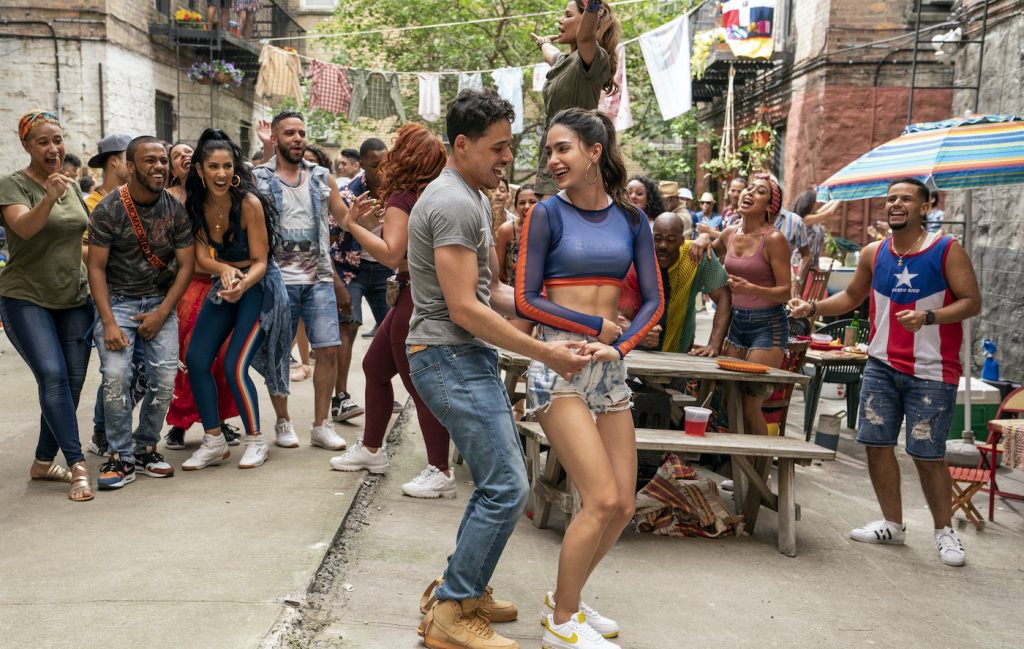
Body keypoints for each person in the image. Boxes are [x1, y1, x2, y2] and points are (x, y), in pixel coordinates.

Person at [409, 89, 590, 649]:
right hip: (448, 356)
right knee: (508, 486)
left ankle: (463, 591)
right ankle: (450, 616)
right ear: (460, 146)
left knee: (499, 481)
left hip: (460, 357)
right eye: (498, 147)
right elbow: (464, 308)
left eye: (509, 145)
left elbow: (494, 292)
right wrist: (546, 353)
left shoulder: (469, 196)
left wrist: (573, 319)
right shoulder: (455, 203)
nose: (507, 158)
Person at [514, 107, 662, 649]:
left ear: (595, 152)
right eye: (550, 151)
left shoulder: (632, 221)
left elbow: (653, 300)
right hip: (557, 365)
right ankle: (563, 620)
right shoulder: (546, 214)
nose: (553, 160)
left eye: (563, 149)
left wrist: (617, 343)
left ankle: (565, 597)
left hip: (610, 367)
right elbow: (529, 300)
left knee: (623, 505)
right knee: (598, 498)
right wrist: (594, 325)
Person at [789, 177, 980, 566]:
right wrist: (812, 308)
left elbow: (971, 302)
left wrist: (930, 317)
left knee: (928, 455)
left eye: (906, 199)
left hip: (933, 370)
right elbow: (851, 297)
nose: (896, 204)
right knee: (875, 445)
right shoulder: (874, 252)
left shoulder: (946, 249)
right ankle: (892, 524)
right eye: (891, 198)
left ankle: (944, 532)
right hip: (880, 364)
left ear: (924, 207)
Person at [329, 124, 456, 498]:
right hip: (418, 292)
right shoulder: (432, 193)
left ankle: (441, 469)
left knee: (418, 385)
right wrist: (373, 226)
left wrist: (352, 224)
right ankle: (371, 449)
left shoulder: (402, 197)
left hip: (412, 294)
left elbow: (390, 254)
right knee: (374, 367)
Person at [86, 135, 196, 490]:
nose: (159, 167)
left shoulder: (176, 210)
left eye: (163, 160)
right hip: (118, 303)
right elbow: (97, 269)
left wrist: (163, 312)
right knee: (116, 377)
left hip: (159, 304)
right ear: (130, 167)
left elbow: (186, 267)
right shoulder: (108, 209)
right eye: (150, 161)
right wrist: (107, 322)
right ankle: (119, 456)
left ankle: (146, 446)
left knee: (164, 382)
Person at [181, 129, 290, 470]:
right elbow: (202, 259)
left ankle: (256, 440)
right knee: (197, 359)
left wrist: (240, 282)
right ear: (200, 170)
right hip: (226, 283)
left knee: (234, 366)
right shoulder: (195, 204)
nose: (221, 174)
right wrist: (224, 269)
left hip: (258, 287)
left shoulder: (249, 203)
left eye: (227, 166)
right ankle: (214, 441)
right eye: (213, 167)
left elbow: (261, 261)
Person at [0, 111, 95, 501]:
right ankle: (76, 465)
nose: (53, 148)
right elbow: (24, 228)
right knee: (53, 376)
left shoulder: (71, 186)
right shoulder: (12, 185)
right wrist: (51, 197)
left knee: (69, 386)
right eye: (42, 141)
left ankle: (42, 461)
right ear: (26, 146)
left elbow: (82, 241)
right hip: (26, 297)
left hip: (74, 297)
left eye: (57, 139)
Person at [252, 110, 348, 452]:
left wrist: (359, 219)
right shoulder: (259, 177)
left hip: (317, 277)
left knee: (328, 349)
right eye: (290, 133)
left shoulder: (322, 176)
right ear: (275, 139)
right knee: (277, 352)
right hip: (277, 281)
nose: (298, 138)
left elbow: (343, 218)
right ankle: (283, 420)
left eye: (302, 133)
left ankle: (322, 425)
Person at [163, 139, 241, 451]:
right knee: (187, 358)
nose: (183, 155)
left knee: (221, 359)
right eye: (176, 154)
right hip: (185, 286)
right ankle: (179, 424)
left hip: (219, 282)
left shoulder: (216, 196)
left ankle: (218, 421)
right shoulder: (167, 198)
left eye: (188, 151)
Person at [709, 174, 791, 438]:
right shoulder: (731, 232)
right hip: (737, 324)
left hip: (767, 327)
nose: (749, 193)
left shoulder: (774, 239)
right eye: (749, 188)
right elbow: (710, 251)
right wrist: (700, 241)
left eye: (760, 192)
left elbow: (786, 292)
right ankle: (739, 472)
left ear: (770, 206)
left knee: (749, 403)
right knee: (727, 400)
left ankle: (758, 474)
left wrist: (751, 289)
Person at [533, 0, 620, 197]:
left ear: (587, 21)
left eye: (568, 15)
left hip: (574, 156)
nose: (560, 20)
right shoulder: (563, 61)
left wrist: (592, 6)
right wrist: (543, 42)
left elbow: (586, 37)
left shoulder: (592, 59)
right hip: (554, 153)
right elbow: (551, 53)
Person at [332, 137, 390, 420]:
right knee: (348, 327)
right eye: (376, 165)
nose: (383, 170)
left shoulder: (398, 192)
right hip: (351, 269)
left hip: (384, 268)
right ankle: (340, 398)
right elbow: (332, 236)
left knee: (393, 329)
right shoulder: (348, 194)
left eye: (387, 164)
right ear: (362, 167)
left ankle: (386, 394)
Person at [619, 212, 731, 355]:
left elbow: (724, 296)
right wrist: (638, 334)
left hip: (680, 347)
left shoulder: (696, 256)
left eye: (671, 240)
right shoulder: (637, 261)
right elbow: (618, 315)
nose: (663, 245)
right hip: (636, 349)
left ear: (681, 241)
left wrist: (714, 344)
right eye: (657, 239)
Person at [495, 184, 538, 336]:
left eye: (532, 202)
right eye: (522, 202)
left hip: (546, 302)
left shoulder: (551, 230)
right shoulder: (506, 231)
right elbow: (498, 273)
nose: (527, 206)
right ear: (515, 206)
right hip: (515, 300)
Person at [792, 190, 840, 294]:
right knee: (806, 297)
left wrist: (839, 194)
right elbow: (829, 212)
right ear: (809, 203)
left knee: (815, 297)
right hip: (801, 266)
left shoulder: (812, 217)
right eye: (815, 201)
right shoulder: (805, 219)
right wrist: (843, 196)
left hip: (812, 266)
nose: (817, 203)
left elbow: (826, 208)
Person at [85, 133, 132, 213]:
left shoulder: (138, 201)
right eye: (130, 158)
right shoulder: (89, 206)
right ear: (114, 161)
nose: (135, 165)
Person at [773, 201, 811, 298]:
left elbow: (806, 255)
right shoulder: (746, 220)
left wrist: (797, 281)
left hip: (783, 286)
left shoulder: (795, 221)